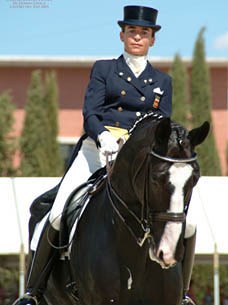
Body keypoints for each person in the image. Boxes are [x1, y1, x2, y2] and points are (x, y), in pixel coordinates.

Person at [13, 5, 195, 305]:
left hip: (139, 160)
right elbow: (91, 113)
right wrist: (103, 136)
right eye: (133, 31)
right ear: (123, 34)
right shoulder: (105, 69)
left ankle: (182, 294)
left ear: (152, 39)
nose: (138, 37)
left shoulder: (163, 82)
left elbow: (162, 126)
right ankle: (34, 291)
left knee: (188, 223)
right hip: (98, 150)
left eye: (144, 33)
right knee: (58, 211)